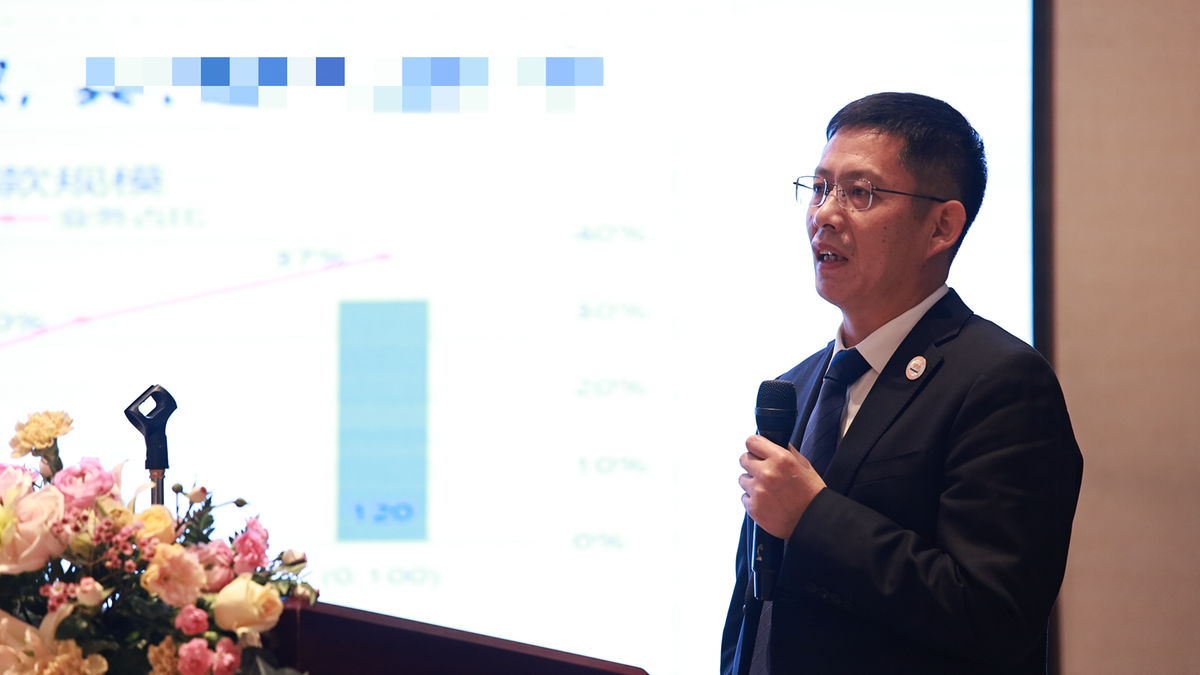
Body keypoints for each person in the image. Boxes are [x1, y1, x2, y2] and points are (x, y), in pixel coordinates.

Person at [722, 93, 1083, 675]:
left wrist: (815, 517)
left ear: (942, 226)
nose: (825, 214)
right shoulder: (800, 386)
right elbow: (755, 614)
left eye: (860, 192)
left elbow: (994, 616)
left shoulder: (1002, 384)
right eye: (820, 188)